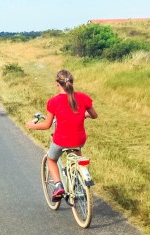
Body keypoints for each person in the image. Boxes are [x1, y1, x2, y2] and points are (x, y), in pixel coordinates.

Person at [26, 69, 98, 200]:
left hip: (61, 140)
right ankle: (78, 182)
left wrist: (32, 126)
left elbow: (47, 125)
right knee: (77, 158)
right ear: (71, 82)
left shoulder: (54, 101)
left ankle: (58, 186)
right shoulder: (83, 97)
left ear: (57, 83)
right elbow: (94, 115)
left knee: (51, 159)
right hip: (80, 139)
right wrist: (84, 115)